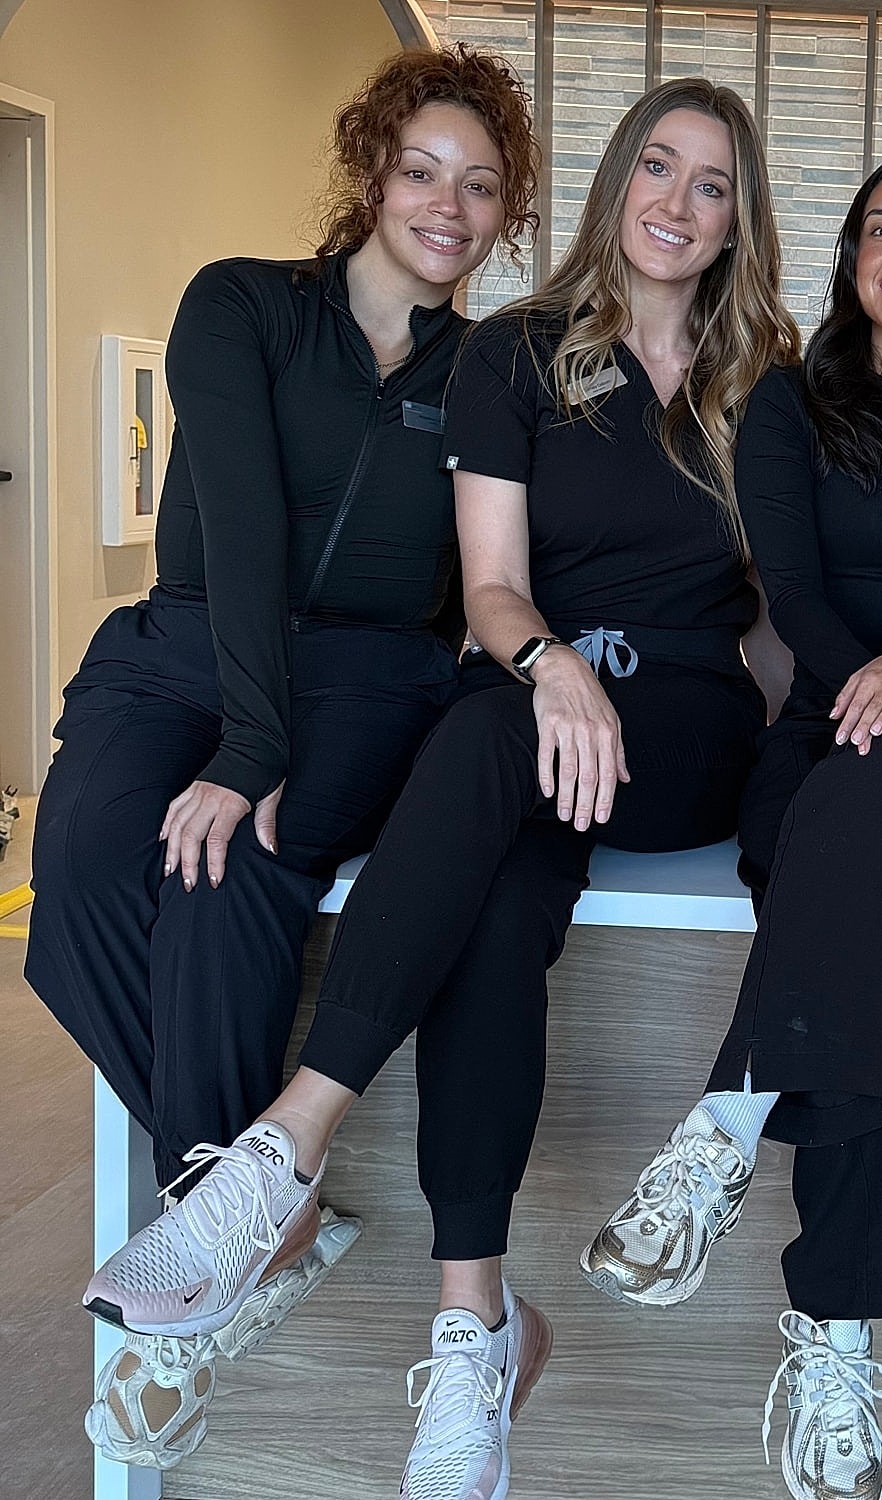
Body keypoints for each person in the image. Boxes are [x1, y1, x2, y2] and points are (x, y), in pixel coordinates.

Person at [78, 78, 798, 1499]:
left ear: (736, 218)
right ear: (612, 186)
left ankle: (282, 1149)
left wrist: (799, 732)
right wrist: (550, 668)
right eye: (655, 167)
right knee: (489, 899)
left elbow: (778, 614)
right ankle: (475, 1329)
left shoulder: (769, 381)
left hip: (683, 730)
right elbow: (487, 587)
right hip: (531, 702)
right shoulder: (519, 356)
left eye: (710, 184)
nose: (675, 201)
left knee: (477, 753)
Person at [24, 45, 536, 1472]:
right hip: (185, 645)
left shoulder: (486, 369)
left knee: (235, 867)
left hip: (373, 674)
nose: (448, 204)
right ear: (372, 170)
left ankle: (197, 1277)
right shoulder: (243, 304)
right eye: (423, 169)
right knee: (73, 880)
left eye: (481, 187)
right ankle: (259, 1203)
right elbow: (239, 526)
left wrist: (261, 771)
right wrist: (246, 738)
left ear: (505, 216)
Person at [576, 154, 882, 1500]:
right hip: (827, 735)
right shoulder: (789, 402)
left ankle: (729, 1121)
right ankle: (835, 1342)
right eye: (878, 230)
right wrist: (870, 684)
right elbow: (788, 586)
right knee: (875, 884)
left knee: (881, 807)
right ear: (849, 257)